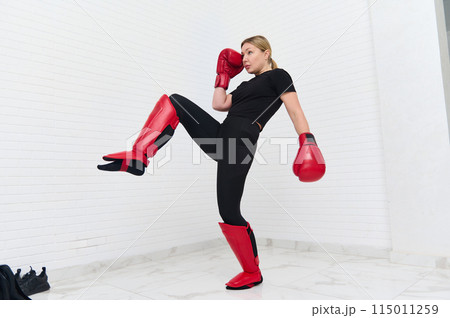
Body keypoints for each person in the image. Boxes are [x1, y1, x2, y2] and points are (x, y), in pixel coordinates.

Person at [97, 35, 325, 290]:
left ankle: (252, 272)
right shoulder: (243, 87)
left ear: (266, 53)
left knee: (228, 212)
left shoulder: (279, 76)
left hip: (240, 145)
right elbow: (219, 104)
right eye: (242, 54)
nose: (245, 59)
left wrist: (308, 141)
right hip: (220, 138)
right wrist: (223, 75)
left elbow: (295, 110)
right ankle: (139, 156)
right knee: (173, 101)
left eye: (250, 52)